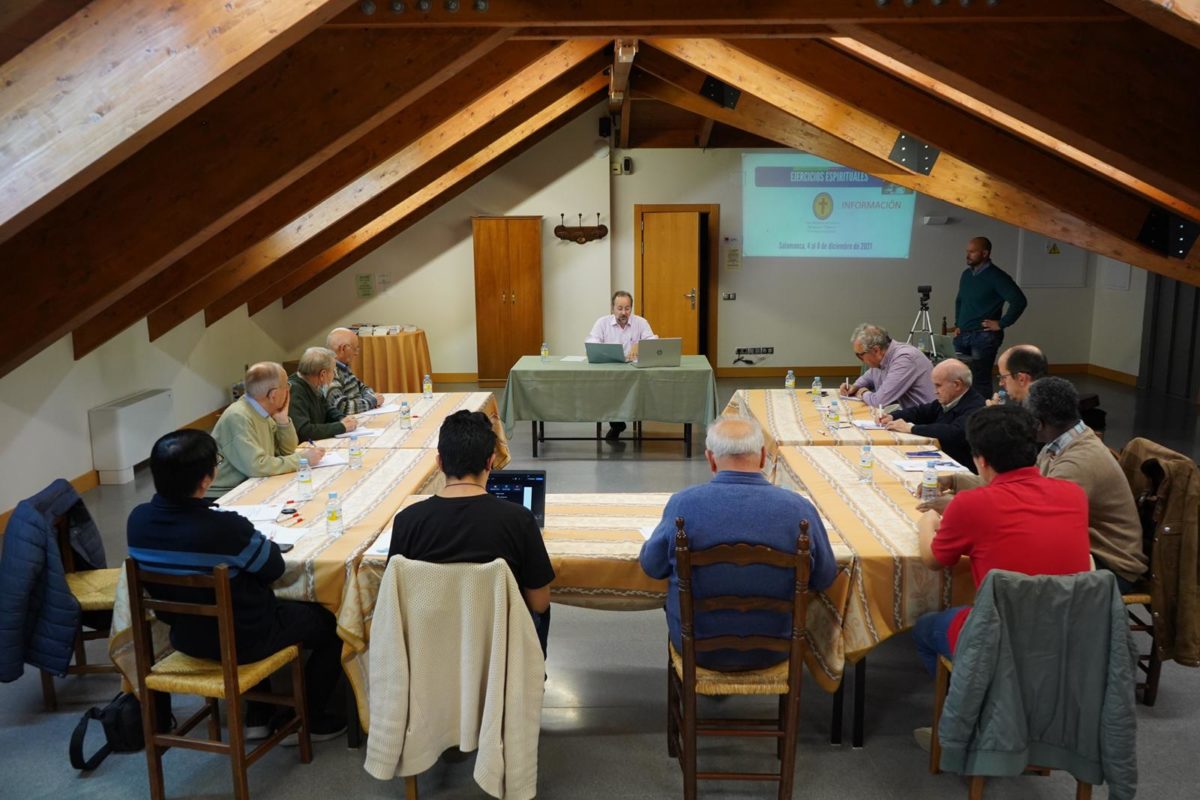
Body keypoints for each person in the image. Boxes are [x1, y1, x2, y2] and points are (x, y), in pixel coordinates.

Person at [127, 430, 346, 741]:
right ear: (206, 480)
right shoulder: (224, 528)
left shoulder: (137, 522)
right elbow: (273, 568)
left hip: (185, 635)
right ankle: (311, 718)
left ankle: (258, 713)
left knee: (236, 606)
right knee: (330, 623)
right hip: (245, 639)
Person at [639, 416, 837, 670]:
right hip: (776, 646)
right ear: (764, 457)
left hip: (697, 647)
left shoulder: (683, 504)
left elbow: (652, 567)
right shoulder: (799, 509)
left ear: (710, 459)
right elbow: (824, 576)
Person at [911, 405, 1091, 678]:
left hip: (1001, 634)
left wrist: (928, 522)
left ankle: (966, 709)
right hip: (1070, 629)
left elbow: (934, 560)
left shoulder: (970, 504)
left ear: (981, 461)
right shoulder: (1074, 494)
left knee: (924, 628)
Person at [388, 410, 555, 656]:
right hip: (499, 653)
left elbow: (395, 600)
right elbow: (540, 602)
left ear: (440, 463)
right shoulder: (519, 520)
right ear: (490, 462)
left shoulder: (407, 521)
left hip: (432, 652)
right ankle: (531, 678)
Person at [1025, 377, 1148, 592]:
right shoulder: (1061, 443)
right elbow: (1027, 486)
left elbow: (1041, 519)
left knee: (1014, 573)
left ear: (1039, 423)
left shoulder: (1077, 463)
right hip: (1091, 550)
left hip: (1112, 564)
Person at [208, 362, 324, 498]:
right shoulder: (238, 416)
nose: (289, 390)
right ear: (274, 395)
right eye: (286, 385)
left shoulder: (263, 411)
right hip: (226, 493)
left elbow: (287, 451)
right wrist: (302, 460)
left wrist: (283, 421)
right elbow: (257, 466)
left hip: (251, 483)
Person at [951, 237, 1027, 400]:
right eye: (967, 251)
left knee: (980, 379)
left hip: (983, 337)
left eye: (972, 252)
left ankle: (982, 416)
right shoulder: (966, 275)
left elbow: (1019, 301)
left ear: (985, 253)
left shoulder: (997, 277)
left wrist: (1002, 323)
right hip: (963, 334)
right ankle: (963, 413)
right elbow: (960, 300)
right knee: (959, 379)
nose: (968, 255)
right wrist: (958, 323)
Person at [880, 358, 985, 470]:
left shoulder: (976, 407)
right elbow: (921, 412)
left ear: (957, 385)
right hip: (941, 458)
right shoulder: (949, 399)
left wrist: (911, 428)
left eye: (938, 385)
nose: (935, 391)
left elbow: (955, 433)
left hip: (961, 467)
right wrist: (893, 416)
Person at [585, 290, 658, 440]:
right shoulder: (602, 322)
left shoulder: (640, 322)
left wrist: (640, 344)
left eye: (627, 308)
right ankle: (617, 423)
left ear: (631, 308)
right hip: (610, 370)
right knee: (605, 388)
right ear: (613, 308)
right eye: (619, 308)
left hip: (634, 372)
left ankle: (620, 421)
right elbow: (592, 342)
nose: (623, 312)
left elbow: (654, 339)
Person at [840, 323, 934, 409]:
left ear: (876, 350)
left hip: (924, 422)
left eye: (860, 355)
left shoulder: (904, 359)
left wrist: (863, 393)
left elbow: (879, 402)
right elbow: (869, 377)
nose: (860, 360)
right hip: (909, 416)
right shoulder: (881, 359)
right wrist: (854, 387)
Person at [288, 347, 359, 442]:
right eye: (333, 371)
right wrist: (340, 427)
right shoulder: (294, 390)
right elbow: (304, 431)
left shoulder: (313, 383)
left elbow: (327, 409)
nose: (335, 375)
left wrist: (342, 418)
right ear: (323, 375)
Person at [326, 327, 380, 414]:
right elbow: (343, 407)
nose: (356, 353)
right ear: (343, 349)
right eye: (355, 349)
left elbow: (363, 387)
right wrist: (371, 401)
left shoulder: (343, 366)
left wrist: (370, 398)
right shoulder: (330, 372)